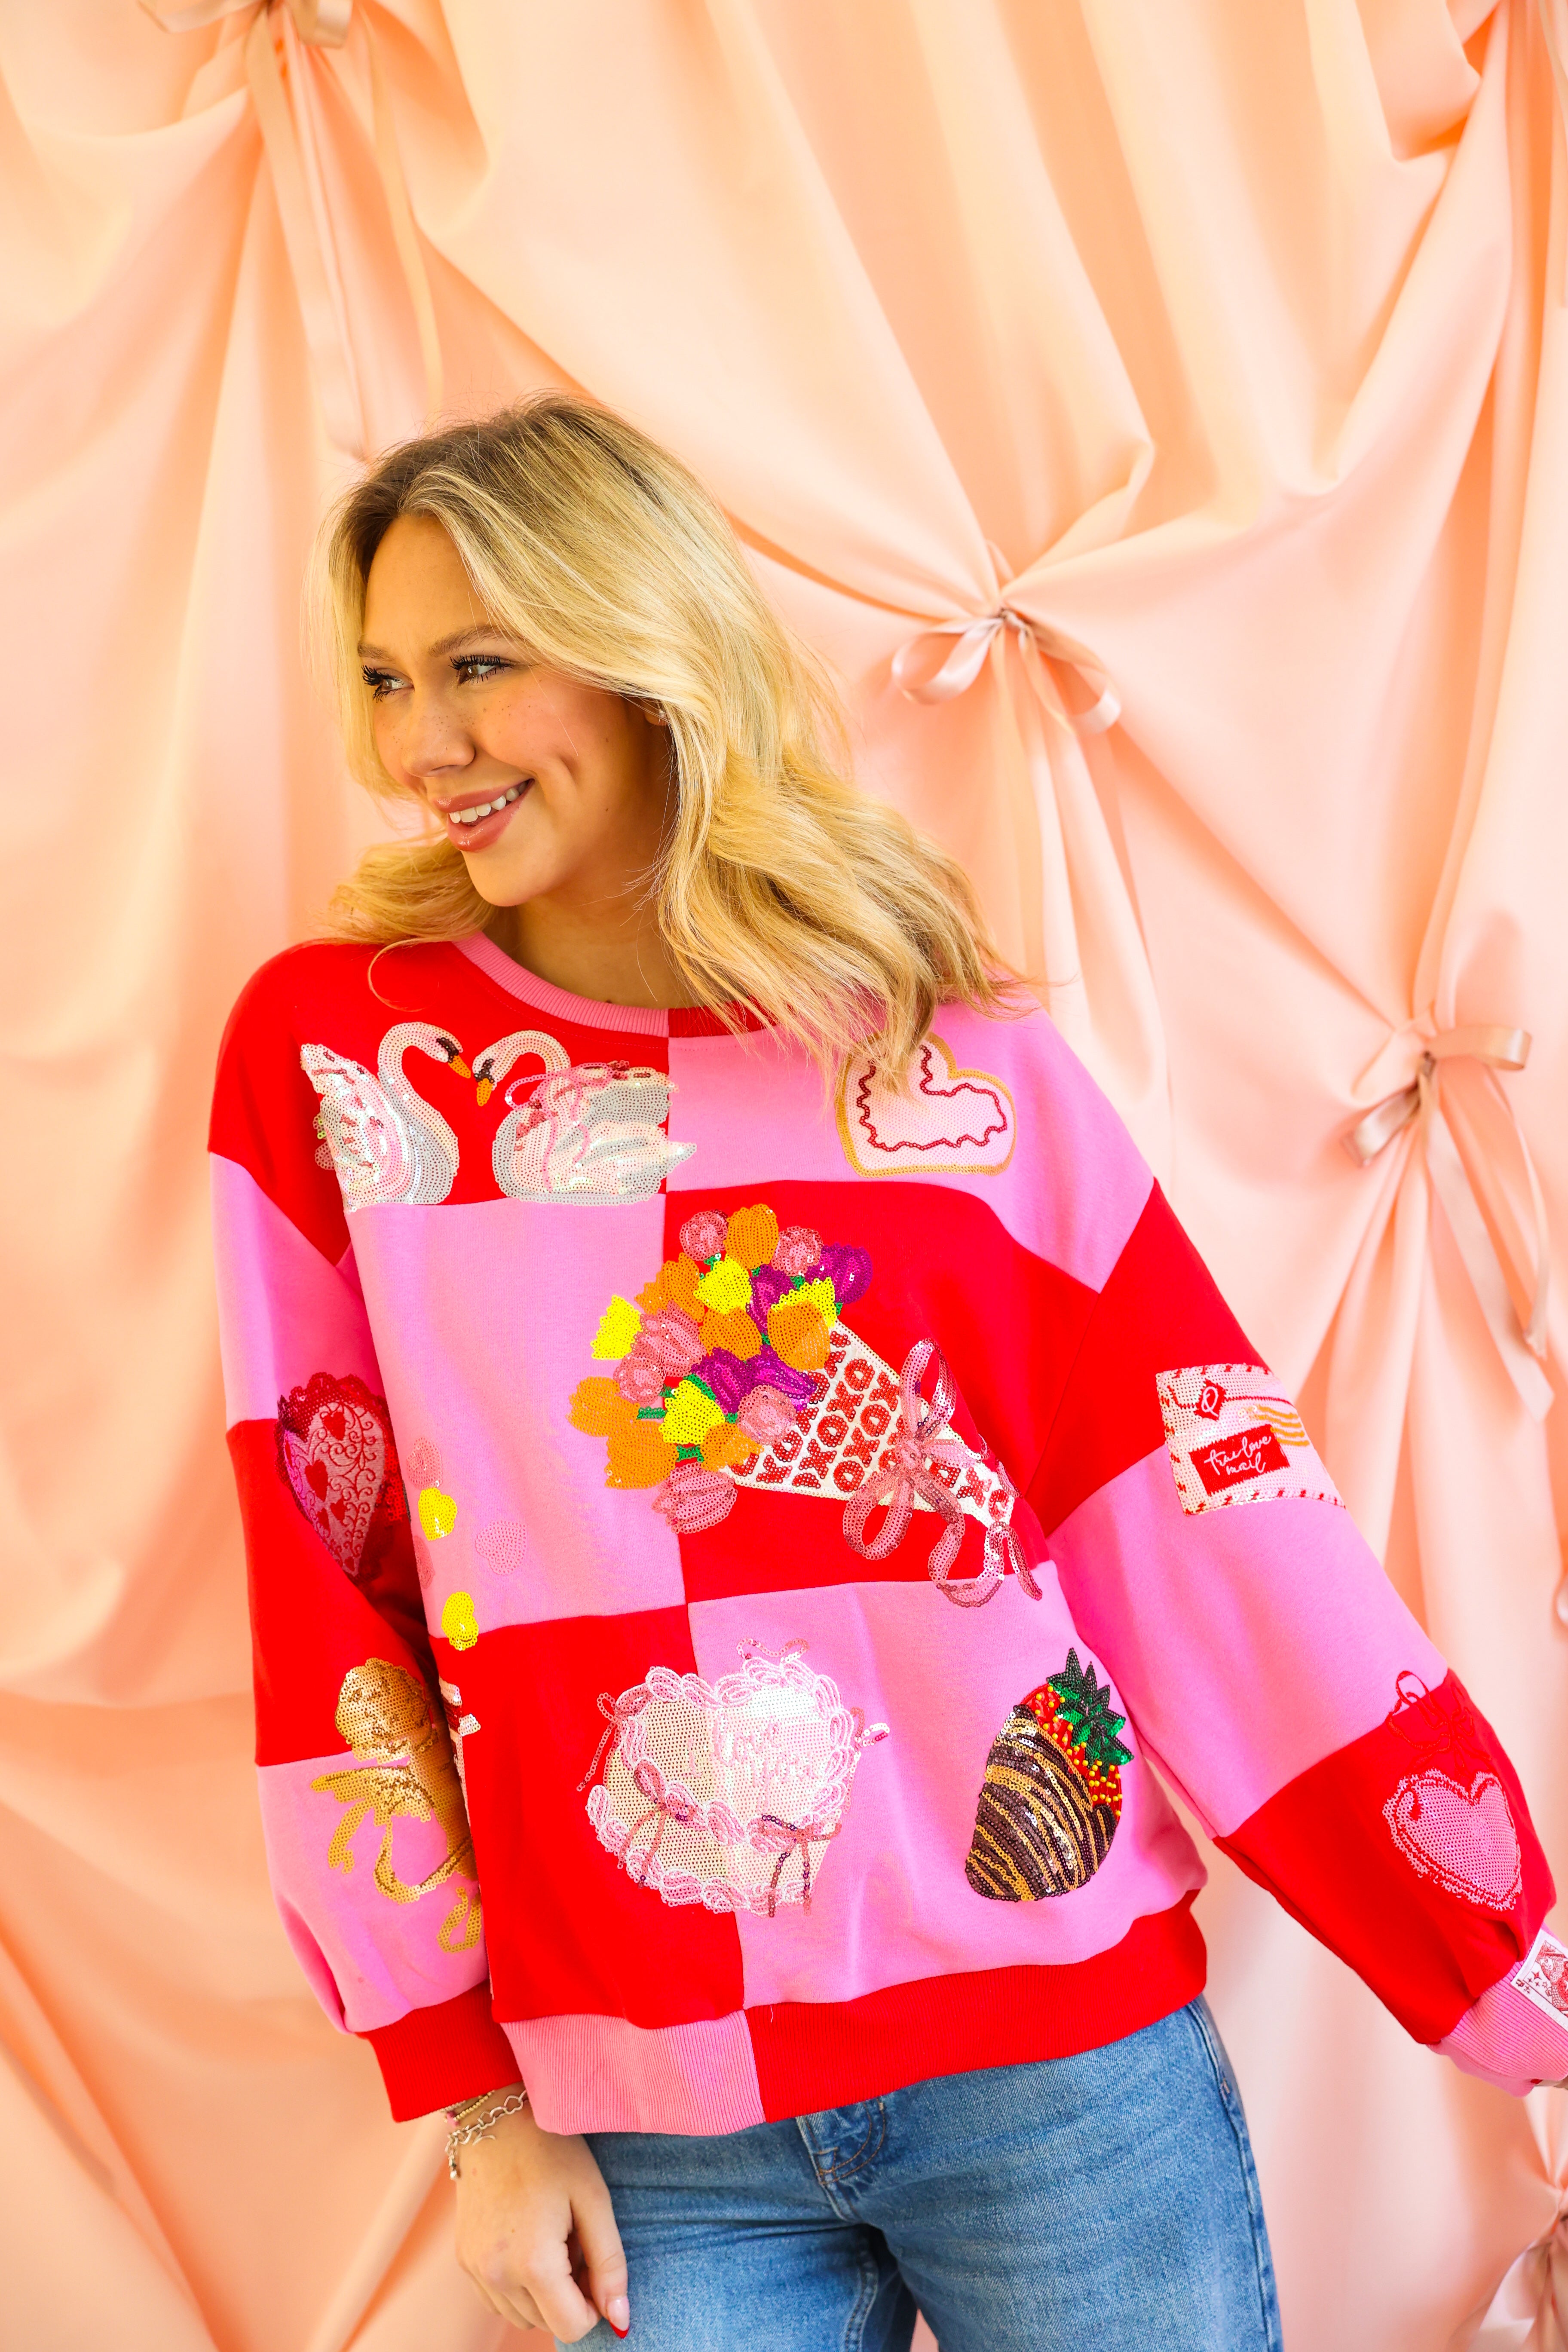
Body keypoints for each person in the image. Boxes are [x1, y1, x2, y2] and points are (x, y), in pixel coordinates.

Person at [210, 395, 1567, 2352]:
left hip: (1056, 2069)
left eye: (480, 665)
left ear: (644, 648)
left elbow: (1211, 1522)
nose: (421, 744)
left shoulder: (946, 1058)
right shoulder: (343, 1068)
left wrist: (1508, 1977)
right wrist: (469, 2099)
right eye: (385, 678)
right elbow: (323, 1587)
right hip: (643, 2111)